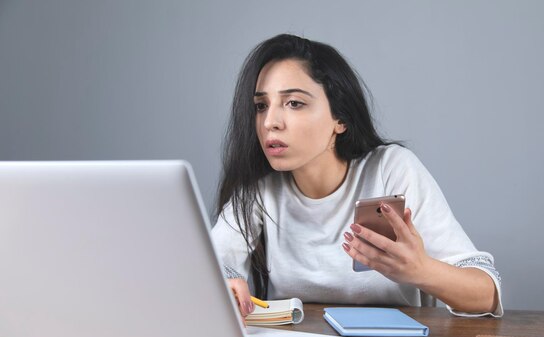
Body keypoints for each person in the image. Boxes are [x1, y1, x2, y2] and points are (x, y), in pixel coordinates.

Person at [212, 34, 503, 319]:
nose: (270, 123)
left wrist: (420, 269)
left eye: (294, 103)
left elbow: (487, 292)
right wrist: (222, 282)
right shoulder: (259, 188)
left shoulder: (391, 169)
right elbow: (211, 264)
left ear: (340, 119)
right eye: (261, 106)